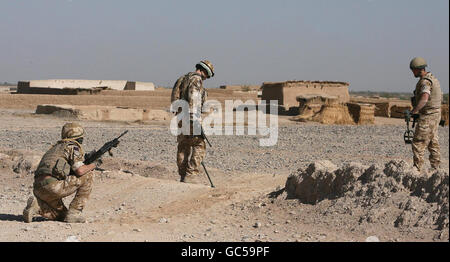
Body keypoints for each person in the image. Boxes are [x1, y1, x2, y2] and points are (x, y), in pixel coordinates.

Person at [23, 123, 99, 223]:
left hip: (38, 188)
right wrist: (94, 165)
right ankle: (75, 213)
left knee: (62, 216)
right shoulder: (72, 147)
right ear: (79, 138)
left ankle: (37, 206)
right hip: (53, 187)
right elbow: (80, 171)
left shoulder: (54, 148)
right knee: (88, 174)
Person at [171, 60, 215, 183]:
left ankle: (183, 175)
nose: (205, 78)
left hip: (180, 117)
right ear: (204, 71)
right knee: (199, 145)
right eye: (206, 75)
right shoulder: (196, 79)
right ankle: (191, 175)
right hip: (190, 117)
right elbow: (194, 100)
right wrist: (194, 120)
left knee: (183, 146)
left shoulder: (183, 78)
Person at [409, 57, 442, 173]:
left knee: (418, 142)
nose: (412, 72)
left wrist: (415, 111)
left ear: (418, 69)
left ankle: (417, 170)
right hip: (435, 115)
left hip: (429, 116)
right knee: (432, 141)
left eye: (413, 70)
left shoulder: (425, 82)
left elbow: (424, 98)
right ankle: (436, 168)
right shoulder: (432, 78)